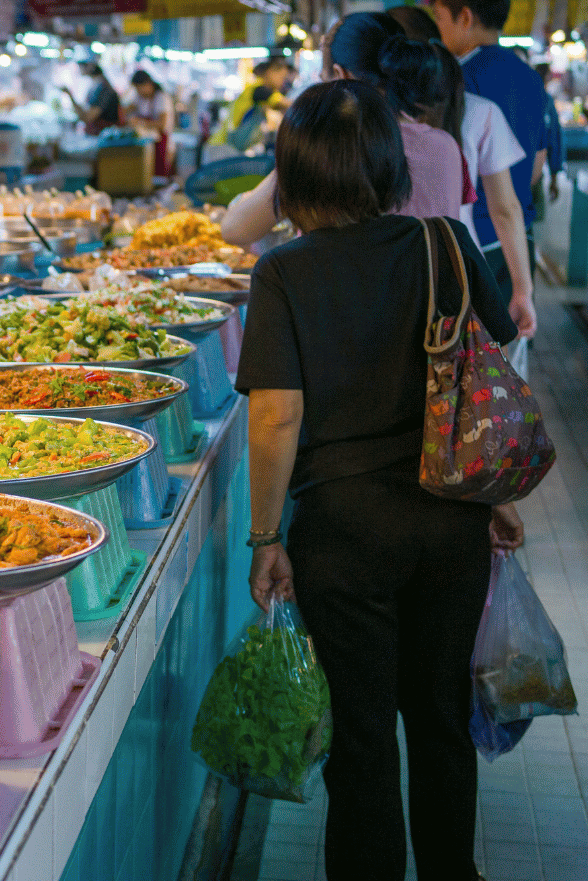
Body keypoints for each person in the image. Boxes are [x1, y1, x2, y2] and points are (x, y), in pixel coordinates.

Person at [239, 79, 524, 881]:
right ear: (390, 168)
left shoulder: (283, 273)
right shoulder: (443, 244)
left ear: (292, 176)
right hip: (448, 520)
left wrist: (265, 539)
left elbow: (276, 419)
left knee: (360, 735)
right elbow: (484, 378)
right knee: (438, 721)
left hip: (341, 533)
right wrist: (493, 496)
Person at [221, 13, 467, 245]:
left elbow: (235, 229)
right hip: (432, 290)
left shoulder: (327, 146)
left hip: (344, 291)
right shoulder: (444, 146)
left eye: (323, 77)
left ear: (341, 76)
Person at [388, 4, 536, 338]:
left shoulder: (371, 118)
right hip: (459, 271)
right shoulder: (480, 112)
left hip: (385, 272)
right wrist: (522, 291)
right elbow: (506, 209)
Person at [430, 0, 552, 313]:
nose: (437, 32)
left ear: (464, 17)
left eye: (440, 19)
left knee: (468, 357)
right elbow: (536, 164)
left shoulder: (452, 80)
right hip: (518, 241)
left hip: (469, 243)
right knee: (506, 353)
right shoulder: (530, 78)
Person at [207, 56, 292, 157]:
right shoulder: (258, 90)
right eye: (282, 77)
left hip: (227, 147)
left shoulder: (257, 93)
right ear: (270, 72)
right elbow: (283, 103)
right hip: (221, 147)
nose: (283, 82)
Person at [125, 69, 176, 180]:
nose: (138, 91)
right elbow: (126, 110)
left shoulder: (161, 98)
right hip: (147, 145)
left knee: (159, 178)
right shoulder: (139, 98)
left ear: (147, 84)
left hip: (163, 145)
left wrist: (140, 122)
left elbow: (162, 124)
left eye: (139, 88)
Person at [61, 62, 121, 135]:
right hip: (98, 135)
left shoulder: (104, 90)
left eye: (82, 65)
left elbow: (87, 117)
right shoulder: (96, 87)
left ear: (91, 66)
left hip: (105, 137)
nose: (80, 68)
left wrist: (70, 96)